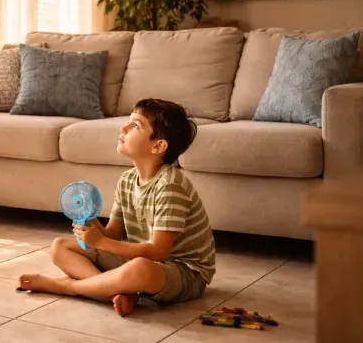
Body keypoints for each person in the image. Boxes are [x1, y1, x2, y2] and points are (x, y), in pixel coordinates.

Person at [18, 98, 215, 316]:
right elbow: (112, 233)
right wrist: (90, 220)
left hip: (183, 271)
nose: (123, 128)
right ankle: (116, 292)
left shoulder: (170, 186)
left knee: (140, 268)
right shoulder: (127, 180)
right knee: (60, 247)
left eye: (135, 126)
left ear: (158, 145)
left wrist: (100, 242)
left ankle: (65, 287)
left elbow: (158, 252)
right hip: (143, 258)